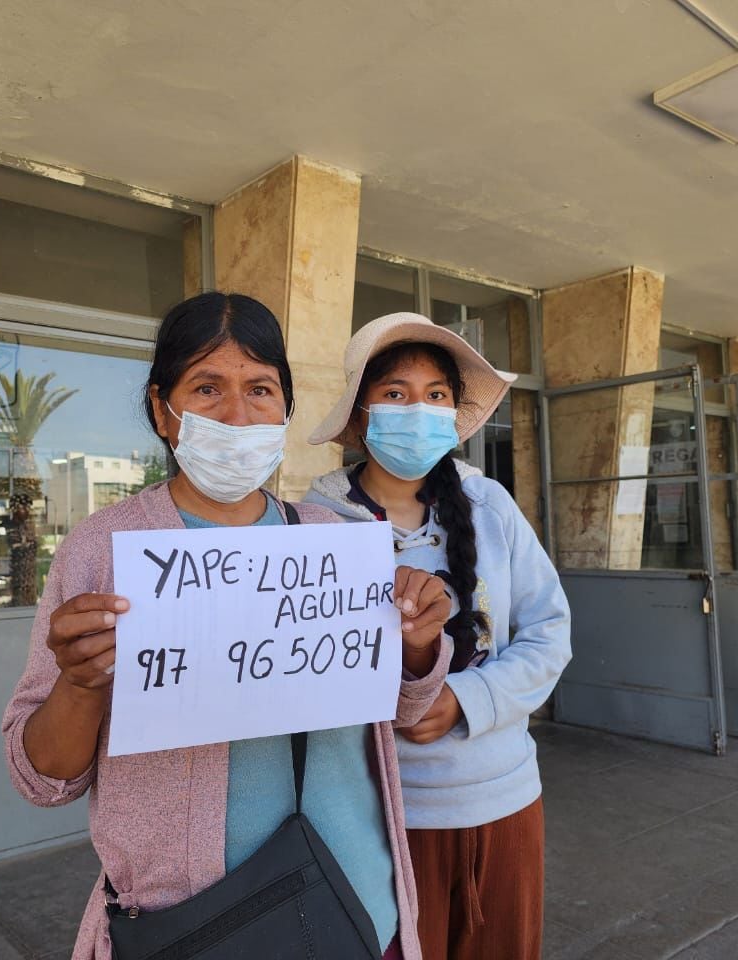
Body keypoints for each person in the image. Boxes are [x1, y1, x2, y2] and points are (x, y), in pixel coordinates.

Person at [3, 292, 455, 960]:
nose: (238, 415)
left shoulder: (336, 540)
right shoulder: (104, 550)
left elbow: (397, 711)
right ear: (163, 409)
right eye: (207, 387)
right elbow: (43, 778)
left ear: (285, 410)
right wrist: (79, 683)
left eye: (261, 389)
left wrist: (418, 646)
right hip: (190, 928)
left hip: (356, 908)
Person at [304, 312, 572, 960]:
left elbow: (549, 632)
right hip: (375, 821)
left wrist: (465, 699)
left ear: (454, 413)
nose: (416, 410)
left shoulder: (492, 507)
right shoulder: (314, 522)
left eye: (436, 395)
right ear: (362, 410)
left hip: (503, 802)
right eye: (395, 393)